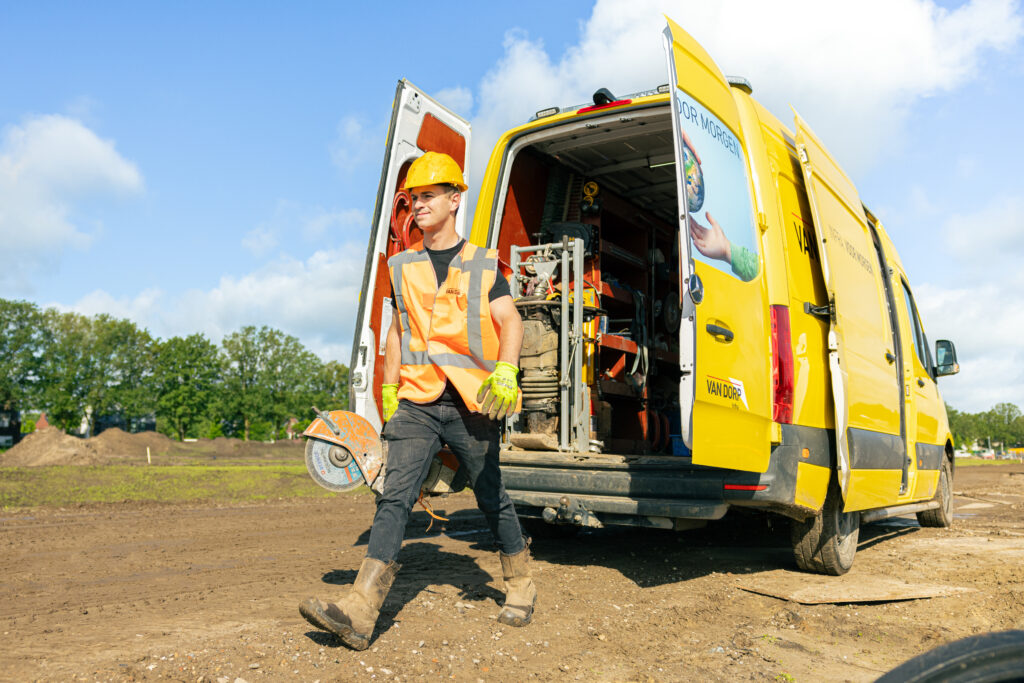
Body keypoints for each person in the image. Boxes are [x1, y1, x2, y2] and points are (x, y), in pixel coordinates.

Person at [299, 151, 534, 651]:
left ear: (454, 200)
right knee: (395, 497)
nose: (419, 206)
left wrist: (509, 371)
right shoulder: (400, 265)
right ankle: (360, 610)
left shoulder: (483, 262)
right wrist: (386, 391)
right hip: (418, 401)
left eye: (429, 196)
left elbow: (510, 322)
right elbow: (398, 333)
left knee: (491, 496)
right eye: (414, 198)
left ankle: (520, 581)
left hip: (473, 402)